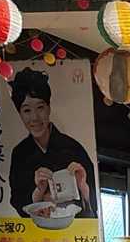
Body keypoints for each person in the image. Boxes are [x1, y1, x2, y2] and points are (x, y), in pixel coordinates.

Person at [7, 68, 98, 221]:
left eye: (40, 107)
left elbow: (93, 207)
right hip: (36, 232)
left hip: (73, 230)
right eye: (27, 110)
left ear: (49, 108)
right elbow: (17, 201)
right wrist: (38, 191)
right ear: (20, 114)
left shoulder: (73, 148)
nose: (34, 118)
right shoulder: (20, 153)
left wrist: (83, 186)